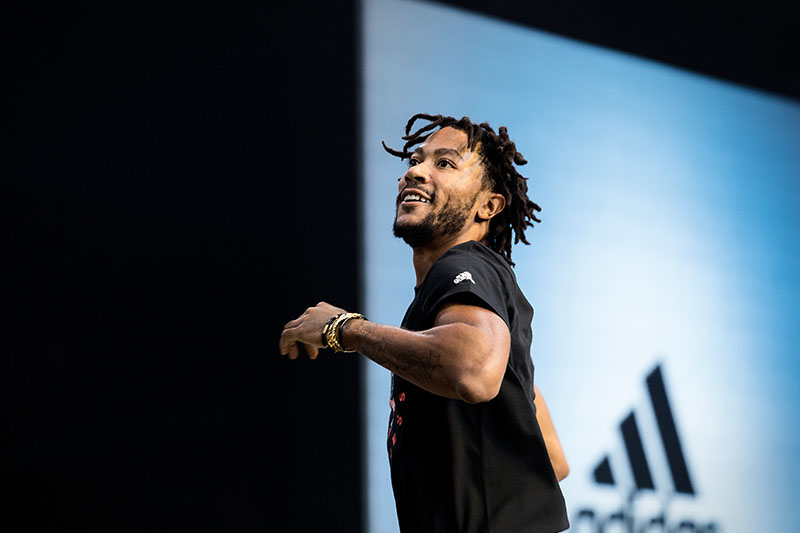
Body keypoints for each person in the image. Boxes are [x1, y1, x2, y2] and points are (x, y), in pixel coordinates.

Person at [279, 113, 569, 532]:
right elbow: (552, 460)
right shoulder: (461, 297)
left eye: (445, 163)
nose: (415, 171)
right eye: (415, 160)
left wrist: (343, 328)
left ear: (488, 206)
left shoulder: (464, 265)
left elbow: (473, 371)